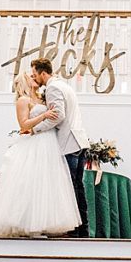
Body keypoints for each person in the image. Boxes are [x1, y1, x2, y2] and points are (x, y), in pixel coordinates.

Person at [0, 70, 82, 238]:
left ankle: (45, 223)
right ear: (25, 82)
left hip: (49, 144)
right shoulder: (22, 101)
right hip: (34, 143)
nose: (34, 78)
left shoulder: (41, 98)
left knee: (47, 184)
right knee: (29, 183)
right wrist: (45, 115)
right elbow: (24, 125)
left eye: (34, 75)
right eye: (30, 77)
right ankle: (26, 224)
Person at [30, 58, 91, 238]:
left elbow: (58, 116)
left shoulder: (52, 88)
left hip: (68, 143)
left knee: (70, 189)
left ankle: (75, 231)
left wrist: (36, 129)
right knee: (78, 188)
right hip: (79, 141)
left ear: (43, 73)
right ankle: (83, 230)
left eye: (35, 75)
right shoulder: (65, 86)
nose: (35, 78)